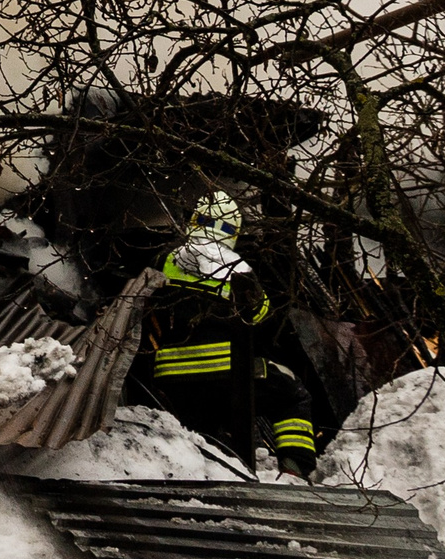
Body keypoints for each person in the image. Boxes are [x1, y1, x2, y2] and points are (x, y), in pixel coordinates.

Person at [129, 191, 320, 478]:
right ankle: (294, 471)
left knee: (204, 429)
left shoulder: (166, 256)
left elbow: (142, 306)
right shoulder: (239, 267)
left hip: (170, 374)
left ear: (195, 221)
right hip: (231, 371)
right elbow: (260, 316)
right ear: (234, 230)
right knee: (293, 394)